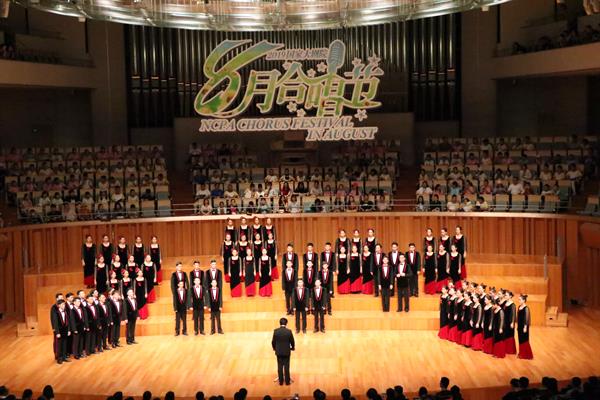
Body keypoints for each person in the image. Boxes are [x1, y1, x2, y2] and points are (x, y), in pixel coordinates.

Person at [271, 317, 295, 386]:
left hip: (278, 351)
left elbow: (273, 341)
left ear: (280, 323)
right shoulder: (289, 331)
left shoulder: (276, 331)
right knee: (286, 366)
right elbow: (292, 341)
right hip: (286, 351)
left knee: (280, 366)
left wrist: (274, 348)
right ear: (286, 323)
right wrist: (293, 347)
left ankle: (281, 382)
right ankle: (287, 382)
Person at [51, 299, 70, 364]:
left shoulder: (65, 312)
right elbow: (55, 323)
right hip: (59, 331)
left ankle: (64, 357)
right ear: (59, 305)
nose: (64, 305)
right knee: (59, 345)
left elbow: (68, 322)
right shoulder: (56, 313)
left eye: (64, 304)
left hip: (65, 331)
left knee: (65, 344)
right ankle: (59, 358)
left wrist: (68, 330)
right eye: (62, 304)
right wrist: (57, 332)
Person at [517, 294, 533, 359]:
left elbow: (527, 318)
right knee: (520, 339)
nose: (519, 301)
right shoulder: (519, 307)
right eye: (518, 300)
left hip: (524, 326)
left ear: (524, 300)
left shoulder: (526, 308)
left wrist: (525, 327)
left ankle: (526, 354)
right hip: (519, 326)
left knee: (524, 339)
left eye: (520, 300)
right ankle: (521, 353)